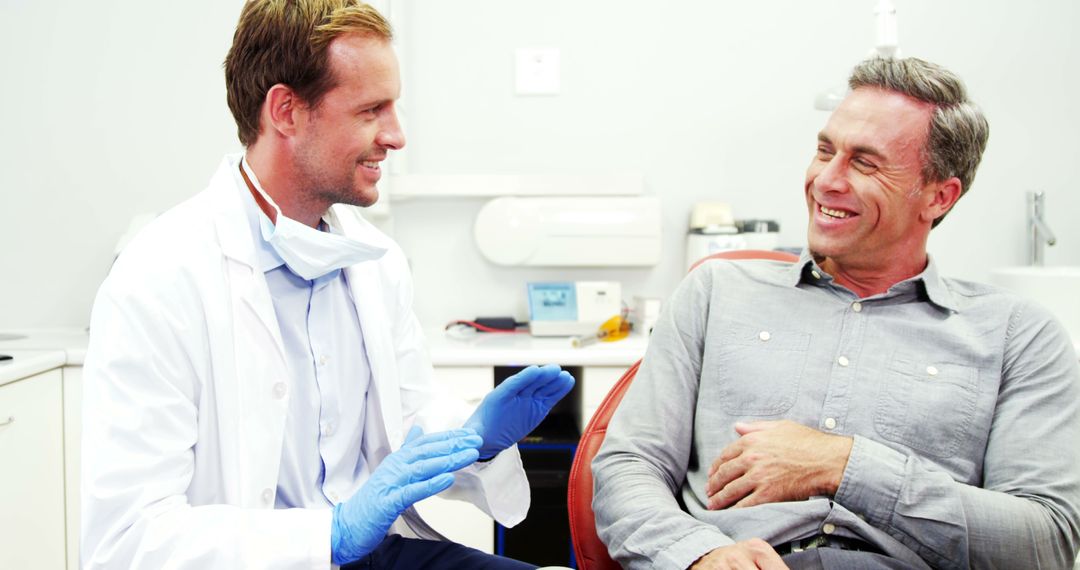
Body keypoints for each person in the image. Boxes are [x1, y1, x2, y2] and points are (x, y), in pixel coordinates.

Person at [80, 1, 575, 568]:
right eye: (371, 110)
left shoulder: (375, 260)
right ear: (286, 111)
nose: (396, 135)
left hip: (375, 555)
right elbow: (125, 541)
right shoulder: (159, 278)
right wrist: (329, 534)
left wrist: (475, 440)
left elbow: (406, 417)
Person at [592, 57, 1080, 570]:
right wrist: (698, 555)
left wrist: (843, 465)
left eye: (865, 163)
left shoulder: (1018, 335)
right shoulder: (715, 292)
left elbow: (1044, 542)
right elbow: (629, 467)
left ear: (939, 196)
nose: (827, 180)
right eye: (825, 150)